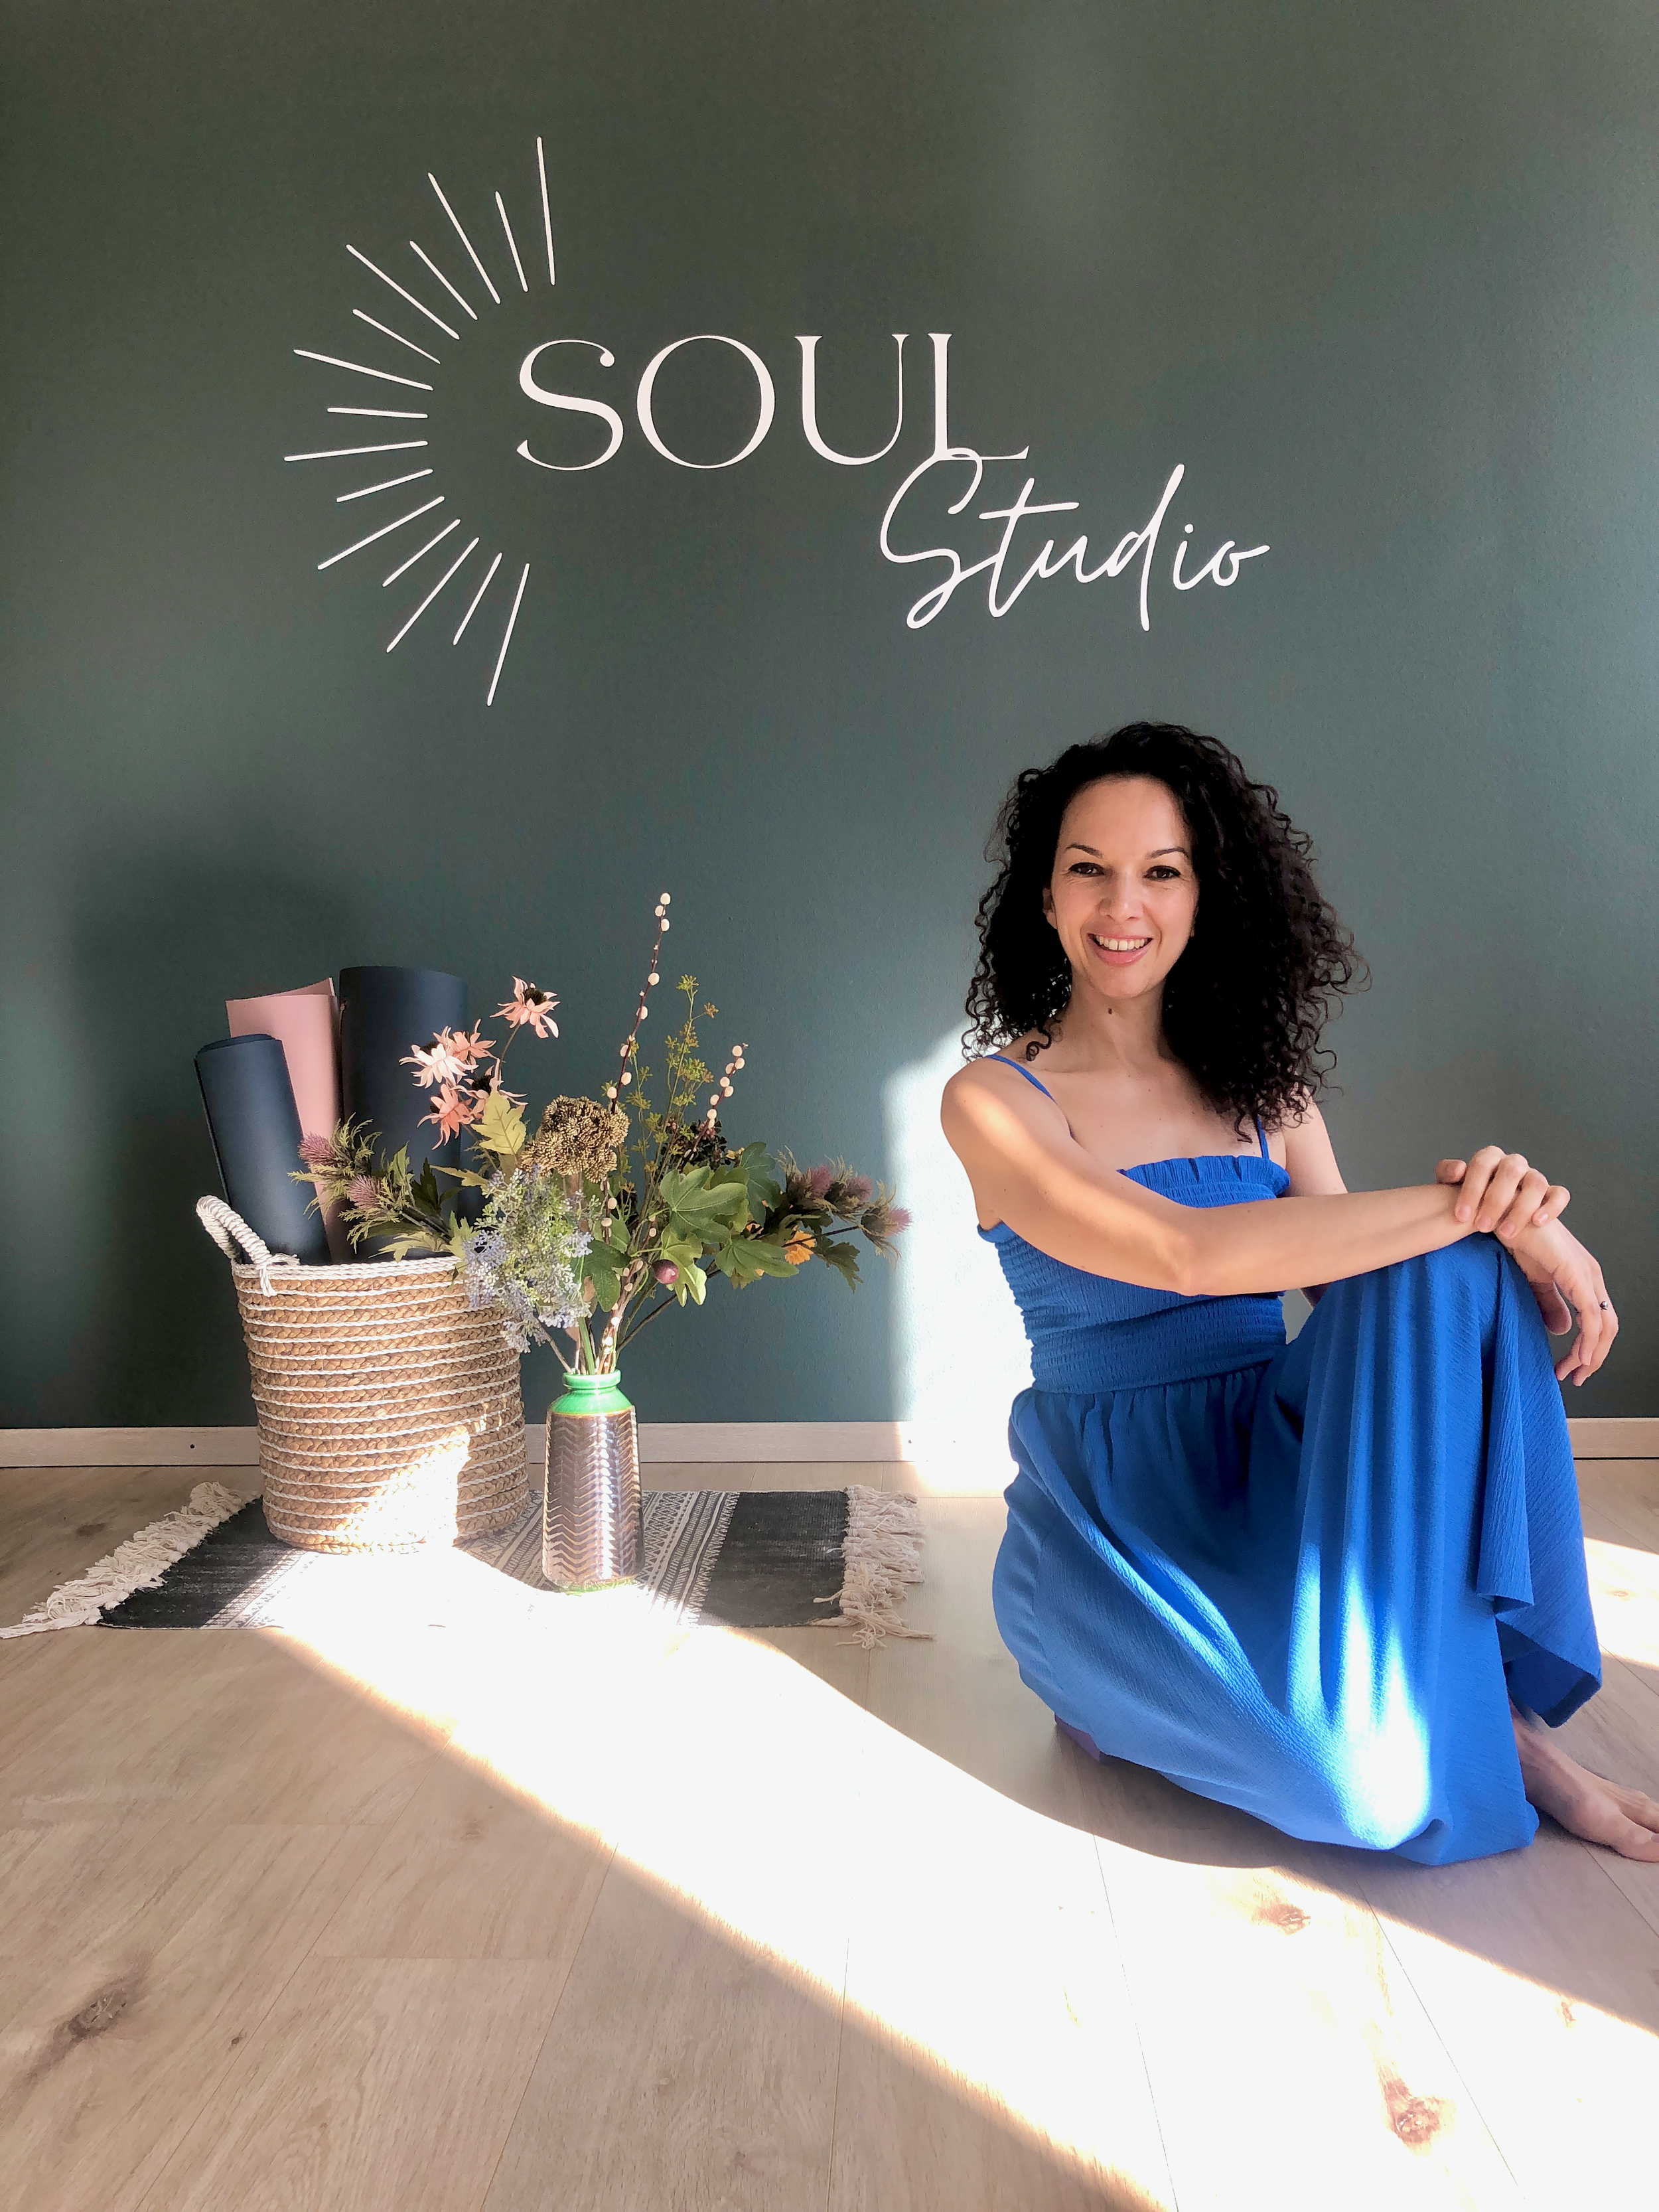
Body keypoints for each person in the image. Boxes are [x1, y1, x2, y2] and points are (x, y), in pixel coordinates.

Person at [941, 721, 1658, 1864]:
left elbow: (1362, 1293)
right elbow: (1184, 1253)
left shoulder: (1267, 1091)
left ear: (1204, 894)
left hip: (1278, 1463)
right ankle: (1168, 1671)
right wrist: (1517, 1209)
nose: (1123, 906)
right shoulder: (996, 1098)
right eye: (1089, 868)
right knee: (1365, 1799)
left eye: (1161, 873)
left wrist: (1494, 1226)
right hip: (1119, 1513)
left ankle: (1503, 1718)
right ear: (1044, 895)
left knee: (1452, 1269)